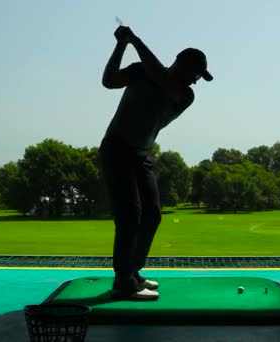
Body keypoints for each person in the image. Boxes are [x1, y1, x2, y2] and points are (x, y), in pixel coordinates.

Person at [99, 25, 212, 300]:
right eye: (196, 74)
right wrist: (121, 45)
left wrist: (135, 40)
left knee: (152, 215)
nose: (196, 81)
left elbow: (162, 79)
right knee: (129, 216)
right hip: (117, 148)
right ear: (182, 65)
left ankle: (133, 272)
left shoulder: (185, 94)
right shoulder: (140, 71)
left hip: (142, 155)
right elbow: (109, 80)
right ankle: (123, 281)